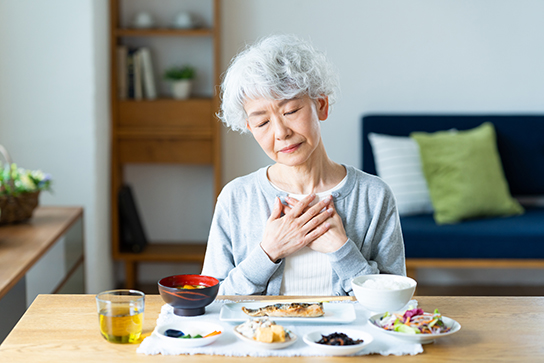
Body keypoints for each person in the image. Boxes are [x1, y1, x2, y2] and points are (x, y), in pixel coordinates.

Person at [201, 34, 405, 296]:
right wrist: (268, 252)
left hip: (346, 338)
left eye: (290, 111)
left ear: (321, 105)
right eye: (262, 123)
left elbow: (394, 303)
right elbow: (213, 300)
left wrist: (342, 251)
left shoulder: (374, 196)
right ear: (250, 128)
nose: (281, 133)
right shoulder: (236, 198)